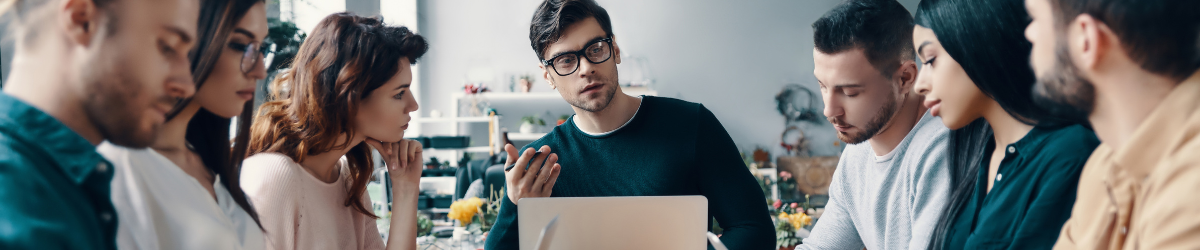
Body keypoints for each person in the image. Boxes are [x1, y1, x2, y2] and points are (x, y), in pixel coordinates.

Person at [484, 0, 775, 249]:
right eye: (565, 60)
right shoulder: (544, 163)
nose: (586, 68)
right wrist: (514, 203)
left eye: (595, 49)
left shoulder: (692, 125)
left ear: (616, 50)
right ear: (547, 76)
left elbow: (754, 229)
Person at [0, 0, 198, 248]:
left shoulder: (66, 183)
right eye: (168, 47)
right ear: (82, 20)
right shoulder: (15, 211)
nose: (187, 86)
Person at [909, 0, 1100, 249]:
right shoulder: (978, 155)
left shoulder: (1068, 154)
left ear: (977, 41)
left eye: (931, 60)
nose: (919, 84)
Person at [240, 12, 427, 250]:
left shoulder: (348, 179)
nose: (413, 105)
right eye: (399, 93)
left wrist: (406, 188)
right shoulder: (275, 175)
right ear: (350, 96)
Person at [1023, 0, 1200, 248]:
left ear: (1086, 40)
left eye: (1035, 18)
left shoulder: (1191, 188)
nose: (1029, 33)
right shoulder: (1102, 167)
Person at [96, 0, 269, 249]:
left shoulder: (210, 163)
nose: (260, 70)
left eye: (261, 47)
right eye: (240, 46)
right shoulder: (122, 164)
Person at [795, 0, 951, 249]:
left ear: (905, 78)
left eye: (849, 92)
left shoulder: (941, 150)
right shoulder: (857, 152)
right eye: (823, 86)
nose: (829, 110)